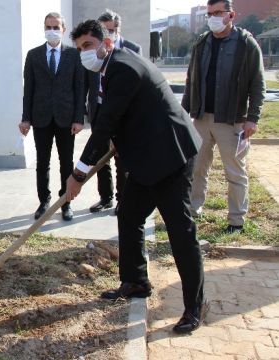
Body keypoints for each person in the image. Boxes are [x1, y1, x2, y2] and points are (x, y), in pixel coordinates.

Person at [67, 20, 207, 334]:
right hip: (146, 159)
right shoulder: (111, 68)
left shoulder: (123, 68)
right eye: (79, 49)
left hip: (171, 157)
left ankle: (194, 306)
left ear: (105, 42)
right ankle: (136, 281)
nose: (84, 53)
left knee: (180, 232)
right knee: (129, 215)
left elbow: (104, 124)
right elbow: (121, 118)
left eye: (88, 45)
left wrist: (78, 173)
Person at [183, 0, 265, 234]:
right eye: (210, 13)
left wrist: (252, 118)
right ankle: (193, 209)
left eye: (218, 13)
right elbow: (192, 79)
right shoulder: (202, 43)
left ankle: (236, 220)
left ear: (231, 15)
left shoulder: (246, 44)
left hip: (232, 120)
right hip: (201, 118)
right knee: (197, 167)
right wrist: (185, 112)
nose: (213, 17)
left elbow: (257, 84)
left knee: (235, 171)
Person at [19, 12, 85, 221]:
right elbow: (28, 89)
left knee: (66, 162)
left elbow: (79, 88)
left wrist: (78, 118)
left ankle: (65, 202)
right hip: (41, 117)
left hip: (66, 119)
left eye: (56, 27)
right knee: (42, 162)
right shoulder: (33, 55)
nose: (52, 31)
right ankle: (44, 201)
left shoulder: (74, 55)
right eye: (48, 27)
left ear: (64, 30)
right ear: (43, 29)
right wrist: (26, 118)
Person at [86, 9, 142, 215]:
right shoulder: (93, 50)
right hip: (99, 109)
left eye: (113, 29)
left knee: (122, 158)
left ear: (119, 29)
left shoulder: (132, 49)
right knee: (101, 157)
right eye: (105, 30)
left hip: (123, 113)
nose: (109, 33)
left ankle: (123, 199)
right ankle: (106, 197)